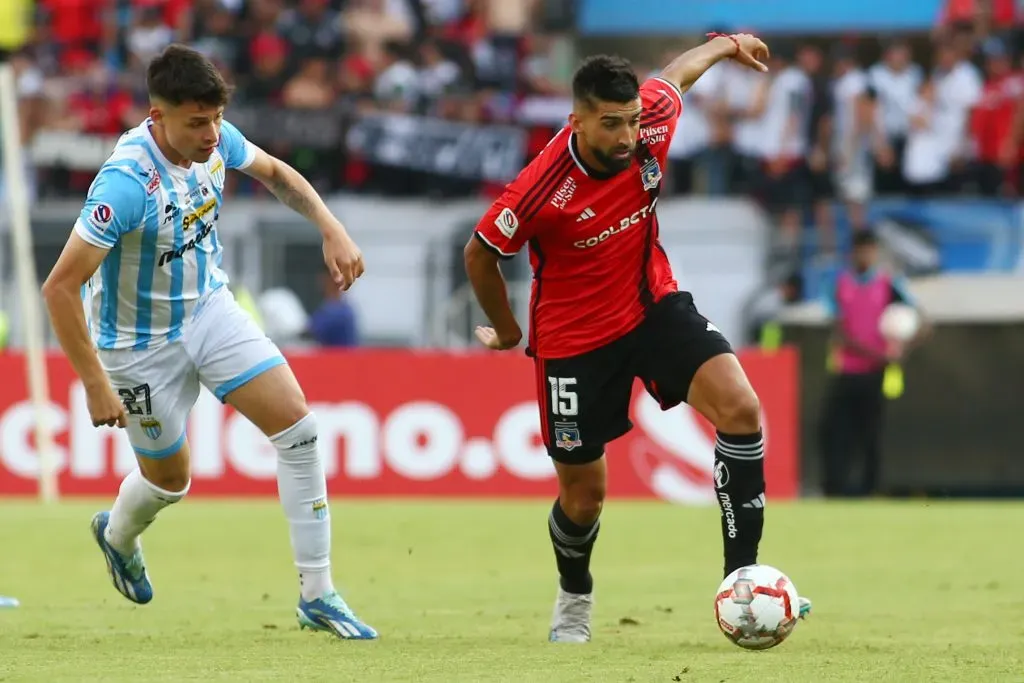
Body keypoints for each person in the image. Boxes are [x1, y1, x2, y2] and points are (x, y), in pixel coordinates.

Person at [463, 33, 812, 643]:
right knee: (585, 498)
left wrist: (728, 45)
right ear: (576, 120)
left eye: (628, 122)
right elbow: (481, 252)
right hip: (573, 340)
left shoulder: (650, 122)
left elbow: (676, 75)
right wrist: (511, 330)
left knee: (742, 408)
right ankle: (574, 598)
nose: (625, 137)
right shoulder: (541, 188)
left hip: (652, 307)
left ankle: (742, 582)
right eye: (608, 125)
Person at [40, 45, 377, 640]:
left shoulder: (216, 140)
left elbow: (274, 173)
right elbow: (60, 288)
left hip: (208, 311)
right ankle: (117, 535)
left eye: (216, 118)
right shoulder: (124, 184)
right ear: (157, 114)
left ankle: (318, 593)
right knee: (170, 481)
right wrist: (94, 381)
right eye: (196, 122)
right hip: (137, 347)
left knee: (298, 428)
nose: (211, 133)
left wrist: (331, 225)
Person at [818, 230, 928, 497]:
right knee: (832, 430)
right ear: (853, 252)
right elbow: (840, 333)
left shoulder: (889, 284)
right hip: (846, 371)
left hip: (876, 374)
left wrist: (901, 349)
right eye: (861, 250)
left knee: (871, 433)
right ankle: (835, 488)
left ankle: (870, 488)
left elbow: (923, 323)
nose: (866, 255)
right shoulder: (840, 284)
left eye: (870, 250)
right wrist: (879, 355)